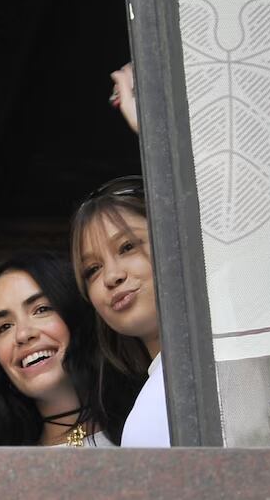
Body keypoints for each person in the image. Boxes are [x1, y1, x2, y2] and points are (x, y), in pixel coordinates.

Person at [0, 251, 141, 446]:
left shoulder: (151, 423)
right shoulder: (0, 469)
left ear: (78, 314)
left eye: (41, 309)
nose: (23, 334)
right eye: (4, 326)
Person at [70, 174, 169, 447]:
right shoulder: (140, 421)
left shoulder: (246, 353)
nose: (111, 276)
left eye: (127, 247)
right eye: (92, 269)